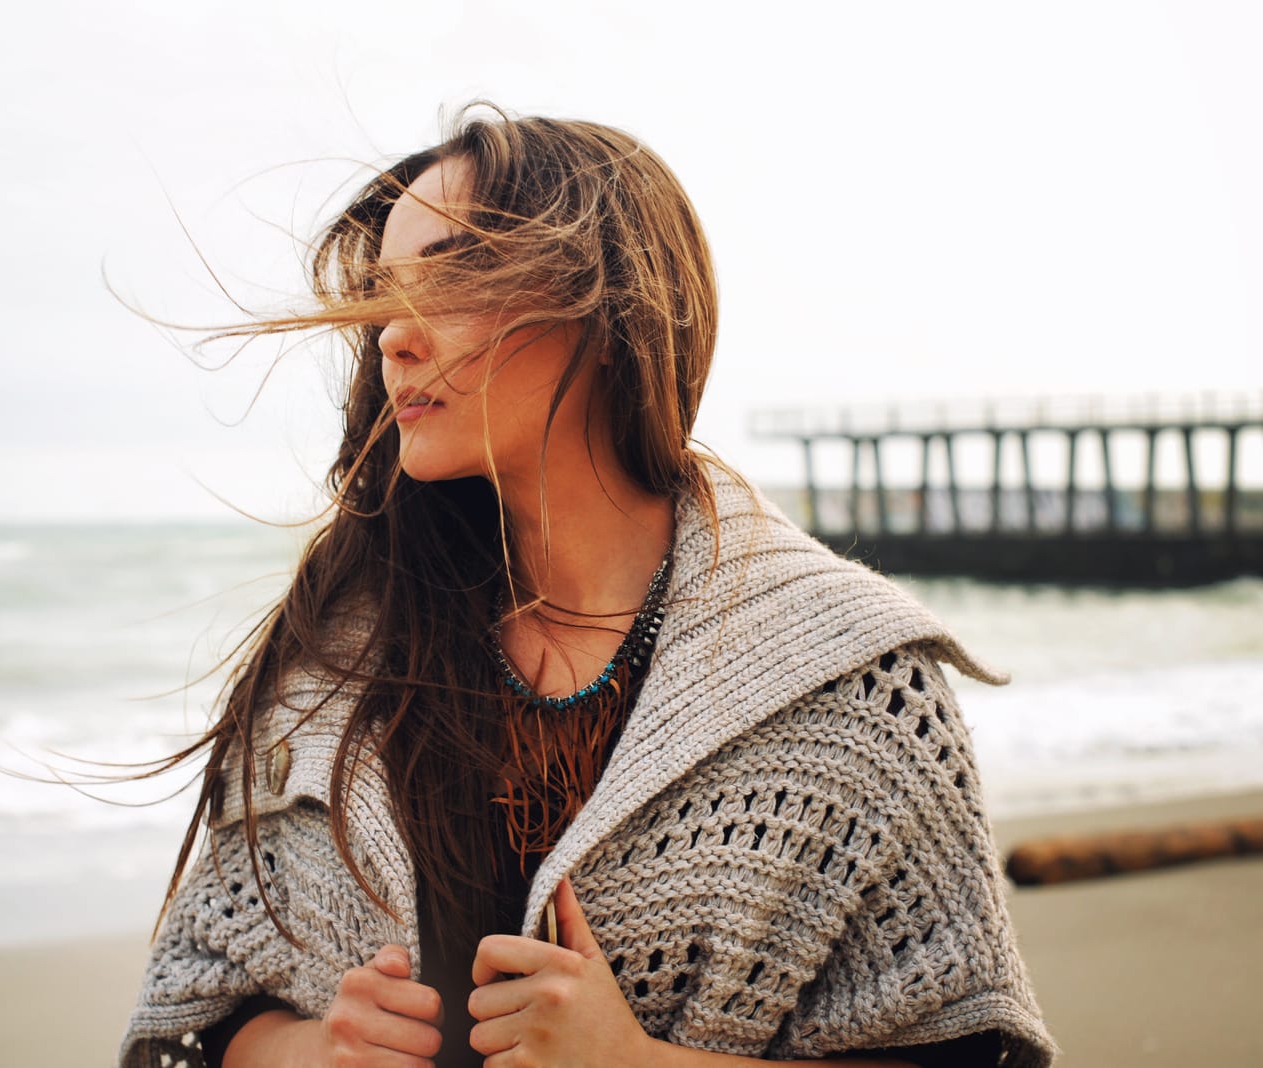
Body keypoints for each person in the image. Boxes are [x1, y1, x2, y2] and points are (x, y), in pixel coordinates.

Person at [117, 105, 1055, 1068]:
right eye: (386, 296)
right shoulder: (336, 664)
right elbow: (182, 1026)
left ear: (609, 315)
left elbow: (976, 1053)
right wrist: (307, 1052)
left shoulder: (851, 683)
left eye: (449, 278)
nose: (394, 334)